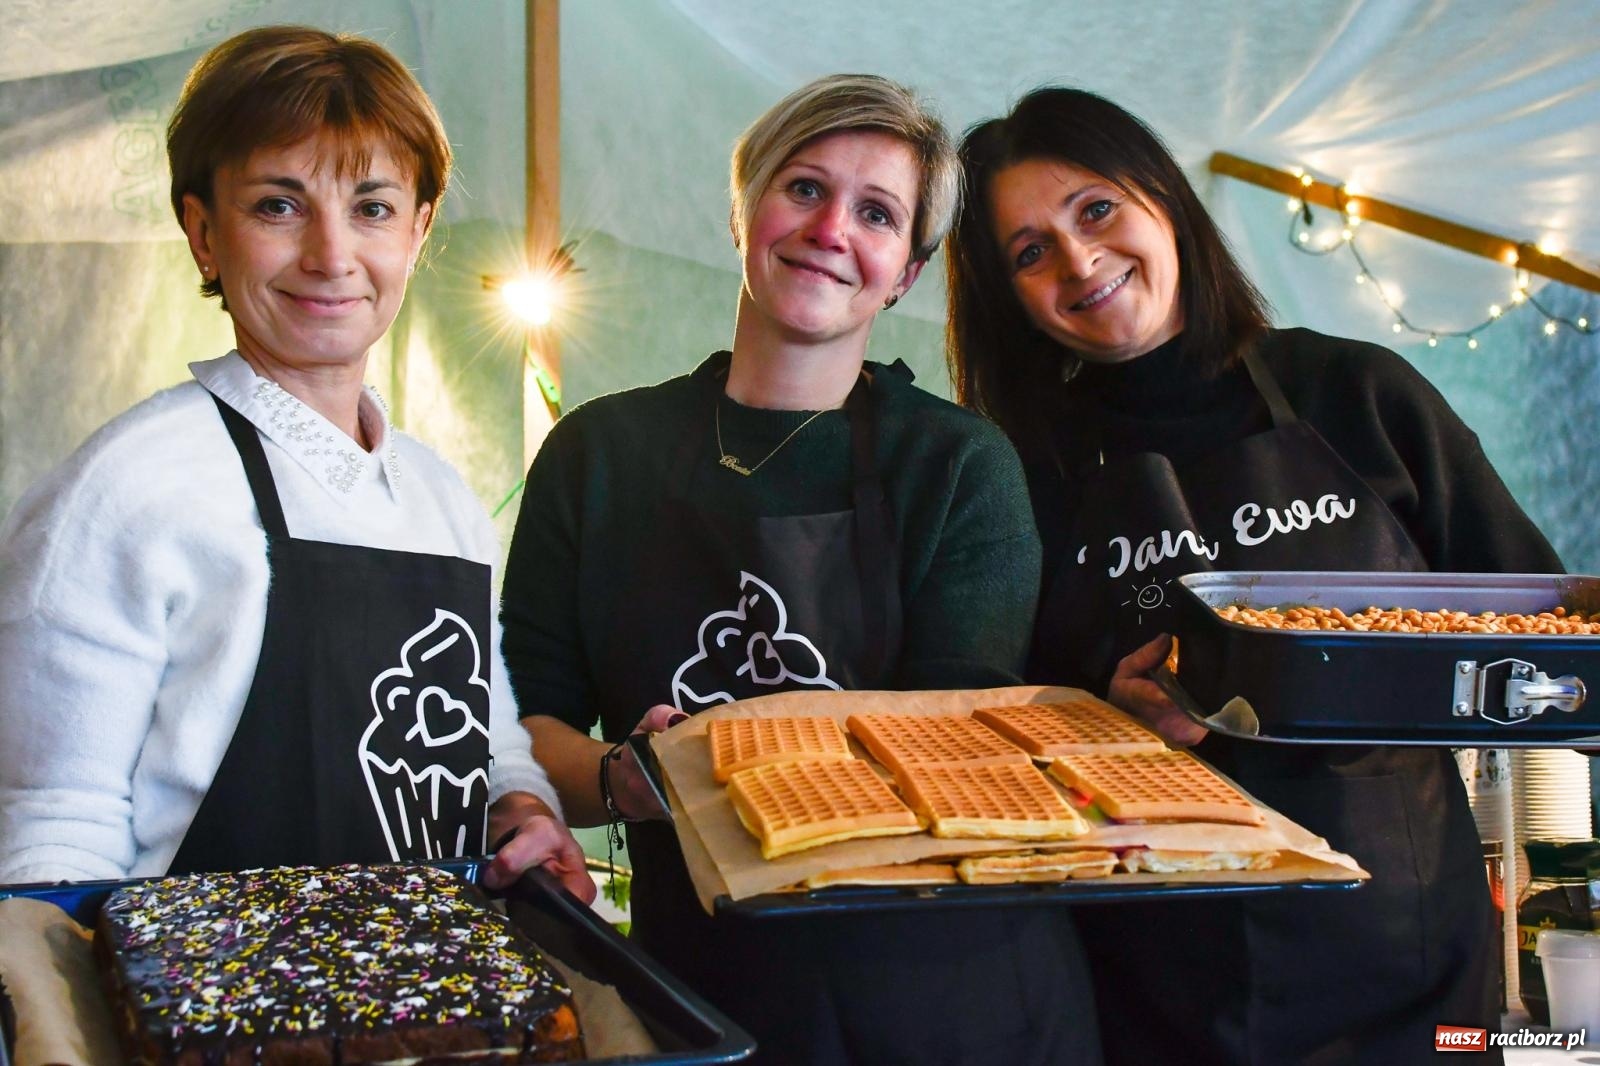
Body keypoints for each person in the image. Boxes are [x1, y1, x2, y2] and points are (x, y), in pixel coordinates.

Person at [946, 86, 1562, 1064]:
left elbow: (1545, 633)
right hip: (1153, 984)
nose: (1078, 259)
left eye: (1095, 208)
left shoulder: (1356, 393)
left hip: (1407, 964)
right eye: (1029, 251)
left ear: (1162, 197)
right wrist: (1101, 720)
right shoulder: (1014, 473)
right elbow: (981, 738)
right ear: (1007, 296)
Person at [501, 75, 1098, 1063]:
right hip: (702, 987)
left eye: (876, 213)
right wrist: (629, 778)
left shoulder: (957, 465)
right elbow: (526, 730)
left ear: (904, 272)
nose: (831, 229)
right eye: (804, 188)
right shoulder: (597, 453)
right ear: (741, 210)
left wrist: (726, 761)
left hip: (946, 995)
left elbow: (961, 752)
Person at [0, 25, 592, 903]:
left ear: (419, 232)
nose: (331, 255)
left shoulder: (440, 495)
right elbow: (55, 819)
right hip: (205, 1022)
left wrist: (521, 808)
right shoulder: (127, 487)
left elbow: (490, 737)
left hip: (432, 1006)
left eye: (373, 208)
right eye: (278, 205)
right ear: (203, 232)